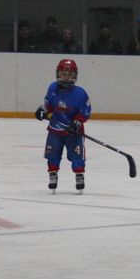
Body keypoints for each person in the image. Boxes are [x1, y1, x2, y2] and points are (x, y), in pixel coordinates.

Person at [34, 59, 91, 193]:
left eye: (69, 74)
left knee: (77, 156)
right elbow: (48, 104)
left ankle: (79, 175)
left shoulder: (80, 93)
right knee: (53, 154)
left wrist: (76, 122)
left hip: (74, 132)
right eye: (63, 73)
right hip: (55, 129)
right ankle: (53, 174)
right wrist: (43, 110)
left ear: (74, 75)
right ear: (58, 74)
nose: (66, 76)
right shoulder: (53, 87)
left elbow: (86, 111)